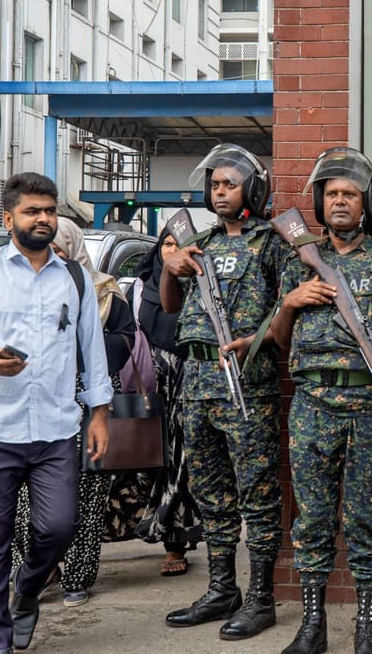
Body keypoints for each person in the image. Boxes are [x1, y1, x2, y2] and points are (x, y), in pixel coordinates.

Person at [0, 173, 111, 654]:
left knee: (59, 527)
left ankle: (28, 591)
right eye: (33, 211)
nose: (44, 219)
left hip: (54, 429)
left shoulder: (73, 277)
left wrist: (99, 414)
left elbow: (90, 348)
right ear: (9, 218)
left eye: (50, 211)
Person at [270, 147, 372, 654]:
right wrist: (291, 302)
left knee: (364, 517)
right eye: (332, 194)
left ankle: (366, 628)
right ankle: (312, 625)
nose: (340, 201)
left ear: (367, 204)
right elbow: (277, 339)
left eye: (351, 195)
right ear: (320, 201)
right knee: (312, 518)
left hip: (367, 406)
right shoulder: (296, 261)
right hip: (312, 405)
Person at [161, 144, 289, 641]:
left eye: (229, 184)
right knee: (212, 493)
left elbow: (288, 314)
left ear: (252, 190)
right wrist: (172, 267)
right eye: (214, 184)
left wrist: (256, 339)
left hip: (245, 385)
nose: (219, 191)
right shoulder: (201, 241)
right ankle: (221, 588)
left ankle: (260, 598)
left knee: (256, 493)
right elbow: (171, 308)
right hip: (196, 384)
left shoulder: (271, 243)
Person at [9, 218, 135, 608]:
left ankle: (77, 575)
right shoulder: (22, 291)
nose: (55, 257)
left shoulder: (103, 291)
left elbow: (122, 344)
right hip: (35, 403)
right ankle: (36, 571)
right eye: (50, 250)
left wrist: (74, 356)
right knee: (26, 494)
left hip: (89, 405)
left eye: (61, 250)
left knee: (87, 491)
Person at [128, 229, 203, 576]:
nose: (172, 251)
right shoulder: (138, 288)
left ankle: (176, 544)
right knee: (148, 464)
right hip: (151, 386)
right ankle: (147, 525)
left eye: (178, 245)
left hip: (189, 384)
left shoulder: (199, 286)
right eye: (167, 245)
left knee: (181, 465)